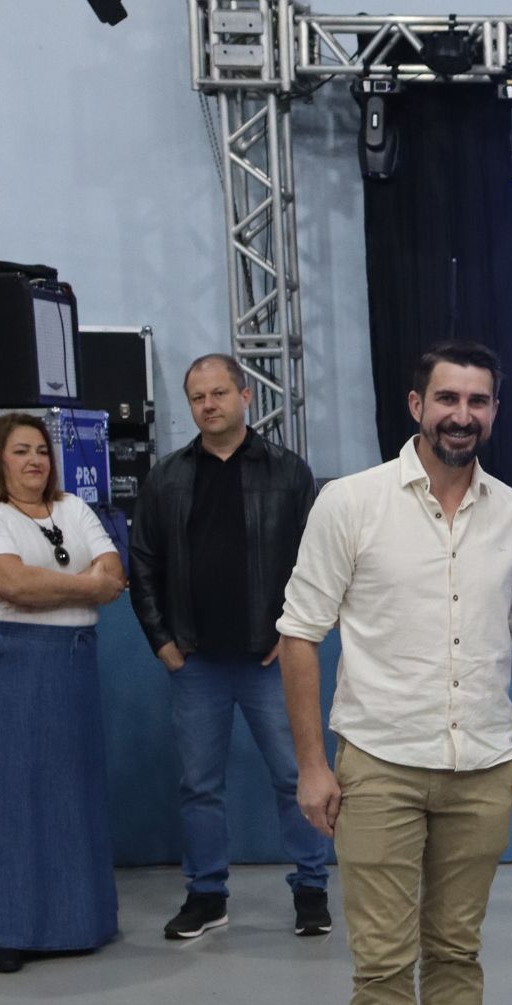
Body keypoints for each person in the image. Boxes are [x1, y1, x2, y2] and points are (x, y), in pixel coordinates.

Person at [277, 341, 512, 1005]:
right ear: (416, 404)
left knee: (456, 955)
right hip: (380, 764)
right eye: (447, 398)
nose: (463, 414)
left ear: (494, 411)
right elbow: (299, 634)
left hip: (482, 765)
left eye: (479, 400)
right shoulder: (350, 502)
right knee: (384, 964)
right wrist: (313, 765)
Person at [128, 354, 333, 941]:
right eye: (198, 397)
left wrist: (291, 632)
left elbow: (315, 561)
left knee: (297, 775)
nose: (208, 405)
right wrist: (162, 642)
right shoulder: (166, 478)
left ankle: (312, 889)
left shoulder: (289, 473)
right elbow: (143, 565)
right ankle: (206, 895)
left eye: (219, 393)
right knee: (199, 786)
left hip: (272, 660)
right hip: (195, 662)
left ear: (245, 396)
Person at [0, 415, 126, 973]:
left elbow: (114, 575)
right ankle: (9, 929)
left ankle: (75, 922)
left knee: (70, 793)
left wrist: (59, 588)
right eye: (21, 451)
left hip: (70, 666)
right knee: (8, 797)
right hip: (4, 668)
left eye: (42, 451)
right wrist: (85, 586)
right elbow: (12, 583)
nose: (35, 461)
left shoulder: (73, 509)